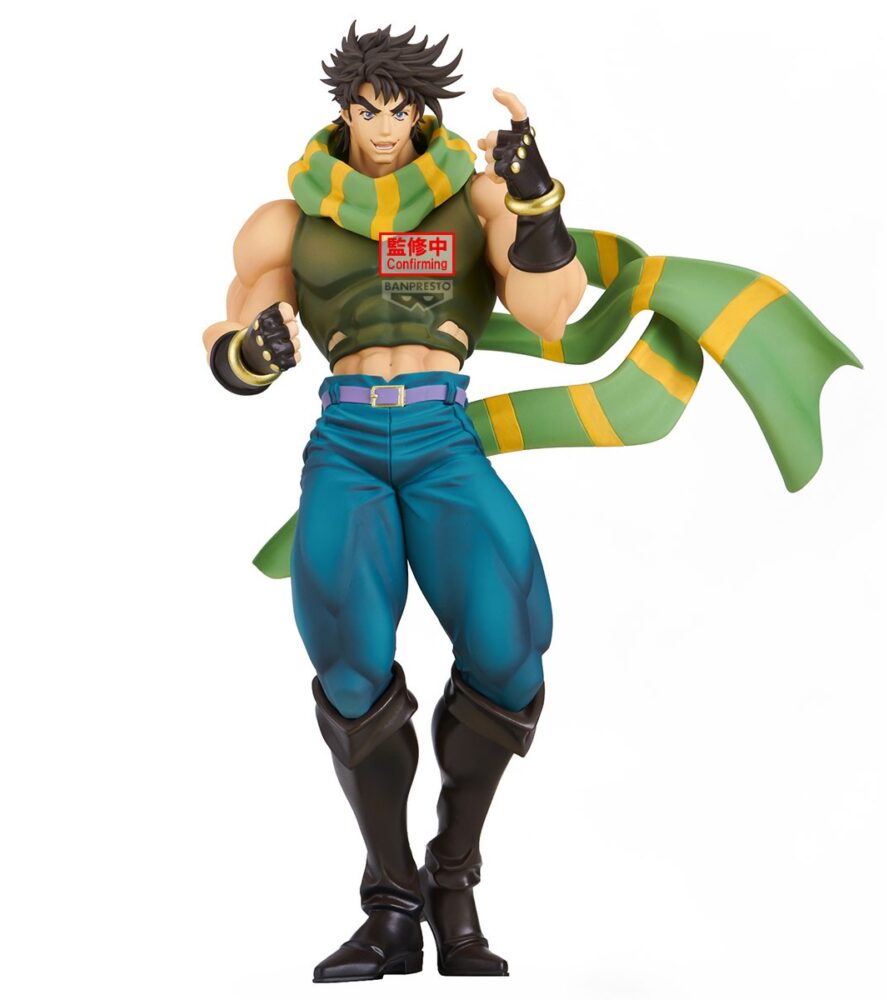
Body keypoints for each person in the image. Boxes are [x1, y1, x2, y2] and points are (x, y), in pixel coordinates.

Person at [201, 22, 587, 982]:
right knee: (348, 668)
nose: (382, 127)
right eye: (367, 108)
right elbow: (230, 327)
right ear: (343, 110)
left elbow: (549, 309)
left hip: (441, 437)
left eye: (399, 109)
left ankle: (453, 878)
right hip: (346, 444)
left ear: (423, 113)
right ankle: (393, 904)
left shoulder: (473, 196)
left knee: (512, 649)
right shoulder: (288, 220)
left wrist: (536, 199)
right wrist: (253, 352)